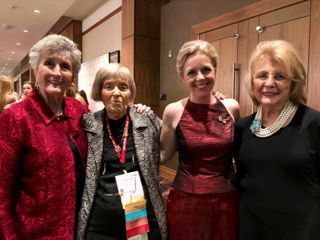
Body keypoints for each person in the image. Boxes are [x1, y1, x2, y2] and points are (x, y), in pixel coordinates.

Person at [0, 34, 88, 239]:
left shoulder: (79, 110)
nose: (57, 72)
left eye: (65, 66)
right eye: (49, 63)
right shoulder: (15, 117)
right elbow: (2, 191)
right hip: (36, 233)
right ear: (35, 69)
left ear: (72, 75)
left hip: (81, 227)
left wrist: (137, 111)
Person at [234, 40, 320, 239]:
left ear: (293, 83)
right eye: (262, 75)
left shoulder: (314, 124)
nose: (269, 83)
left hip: (300, 230)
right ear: (252, 81)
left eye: (280, 76)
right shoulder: (243, 127)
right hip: (251, 227)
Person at [77, 63, 167, 240]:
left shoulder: (146, 119)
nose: (116, 93)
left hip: (139, 214)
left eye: (123, 87)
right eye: (109, 86)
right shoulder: (88, 124)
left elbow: (174, 137)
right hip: (99, 221)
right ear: (99, 92)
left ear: (130, 94)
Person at [160, 40, 240, 240]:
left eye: (206, 70)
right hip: (186, 202)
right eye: (192, 72)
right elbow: (162, 155)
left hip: (228, 200)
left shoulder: (231, 107)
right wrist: (134, 119)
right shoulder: (173, 111)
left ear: (215, 70)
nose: (200, 78)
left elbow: (243, 154)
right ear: (182, 77)